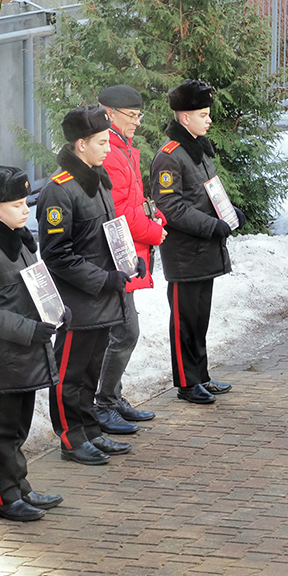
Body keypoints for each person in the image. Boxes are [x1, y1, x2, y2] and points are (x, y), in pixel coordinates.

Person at [38, 105, 144, 465]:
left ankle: (90, 430)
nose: (108, 148)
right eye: (101, 142)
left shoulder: (97, 179)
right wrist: (105, 279)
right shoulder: (60, 191)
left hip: (103, 297)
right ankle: (71, 438)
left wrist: (129, 261)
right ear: (80, 145)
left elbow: (109, 232)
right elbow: (57, 256)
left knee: (90, 371)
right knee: (69, 374)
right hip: (78, 303)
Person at [150, 80, 240, 404]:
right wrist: (211, 225)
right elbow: (170, 207)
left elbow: (207, 192)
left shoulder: (197, 149)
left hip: (203, 250)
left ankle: (200, 375)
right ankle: (187, 383)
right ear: (184, 117)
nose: (209, 119)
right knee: (184, 321)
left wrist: (230, 214)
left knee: (200, 318)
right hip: (185, 253)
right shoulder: (169, 156)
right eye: (203, 114)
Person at [0, 166, 64, 520]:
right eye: (17, 204)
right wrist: (29, 330)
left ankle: (19, 486)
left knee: (18, 427)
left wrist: (55, 312)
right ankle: (2, 496)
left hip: (22, 353)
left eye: (26, 203)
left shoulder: (18, 239)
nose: (26, 210)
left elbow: (34, 286)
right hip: (1, 359)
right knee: (1, 431)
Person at [95, 84, 164, 432]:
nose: (138, 122)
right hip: (115, 257)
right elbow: (119, 214)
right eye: (133, 116)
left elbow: (133, 203)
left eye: (139, 115)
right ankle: (104, 402)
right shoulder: (111, 153)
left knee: (121, 331)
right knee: (124, 334)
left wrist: (154, 219)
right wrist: (154, 232)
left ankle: (111, 397)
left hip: (125, 255)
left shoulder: (122, 149)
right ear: (110, 115)